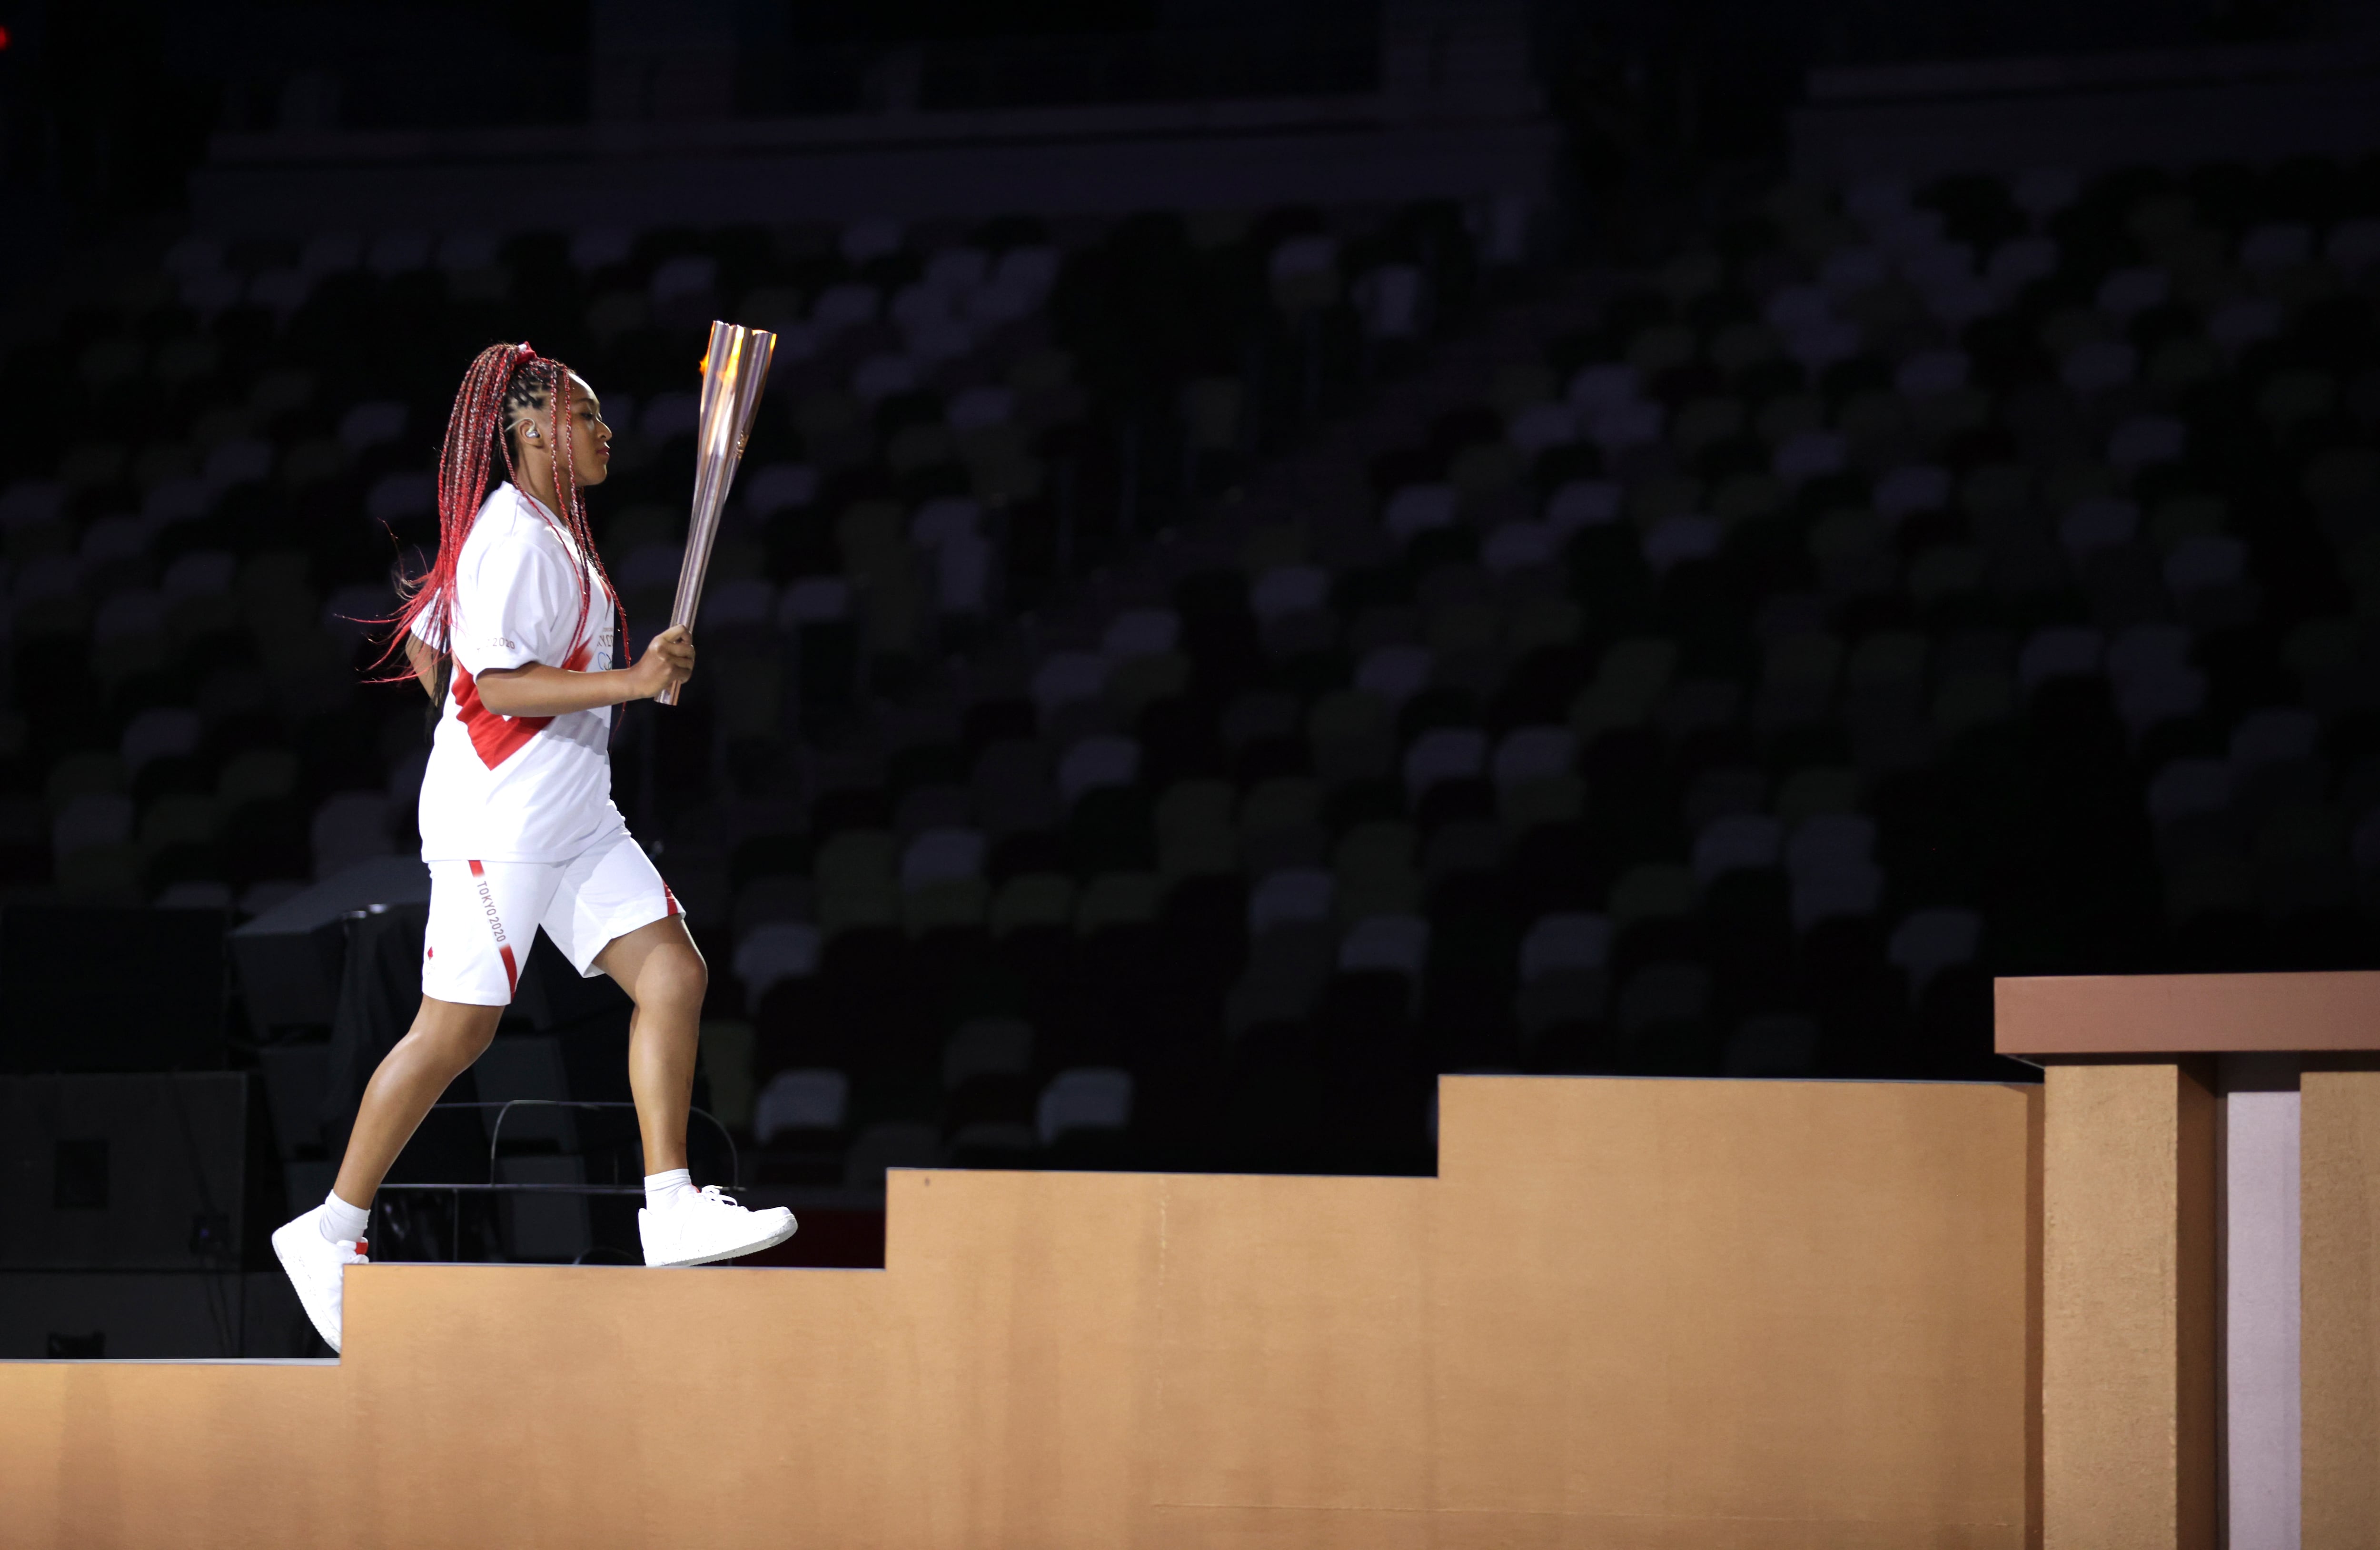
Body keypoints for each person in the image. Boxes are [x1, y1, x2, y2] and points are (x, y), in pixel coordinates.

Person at [272, 342, 793, 1353]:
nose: (604, 431)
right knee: (453, 1034)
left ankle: (670, 1205)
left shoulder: (555, 537)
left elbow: (442, 652)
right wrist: (632, 682)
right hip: (501, 825)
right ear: (533, 429)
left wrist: (619, 679)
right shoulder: (511, 535)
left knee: (673, 974)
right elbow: (502, 686)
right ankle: (328, 1231)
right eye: (585, 415)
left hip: (576, 813)